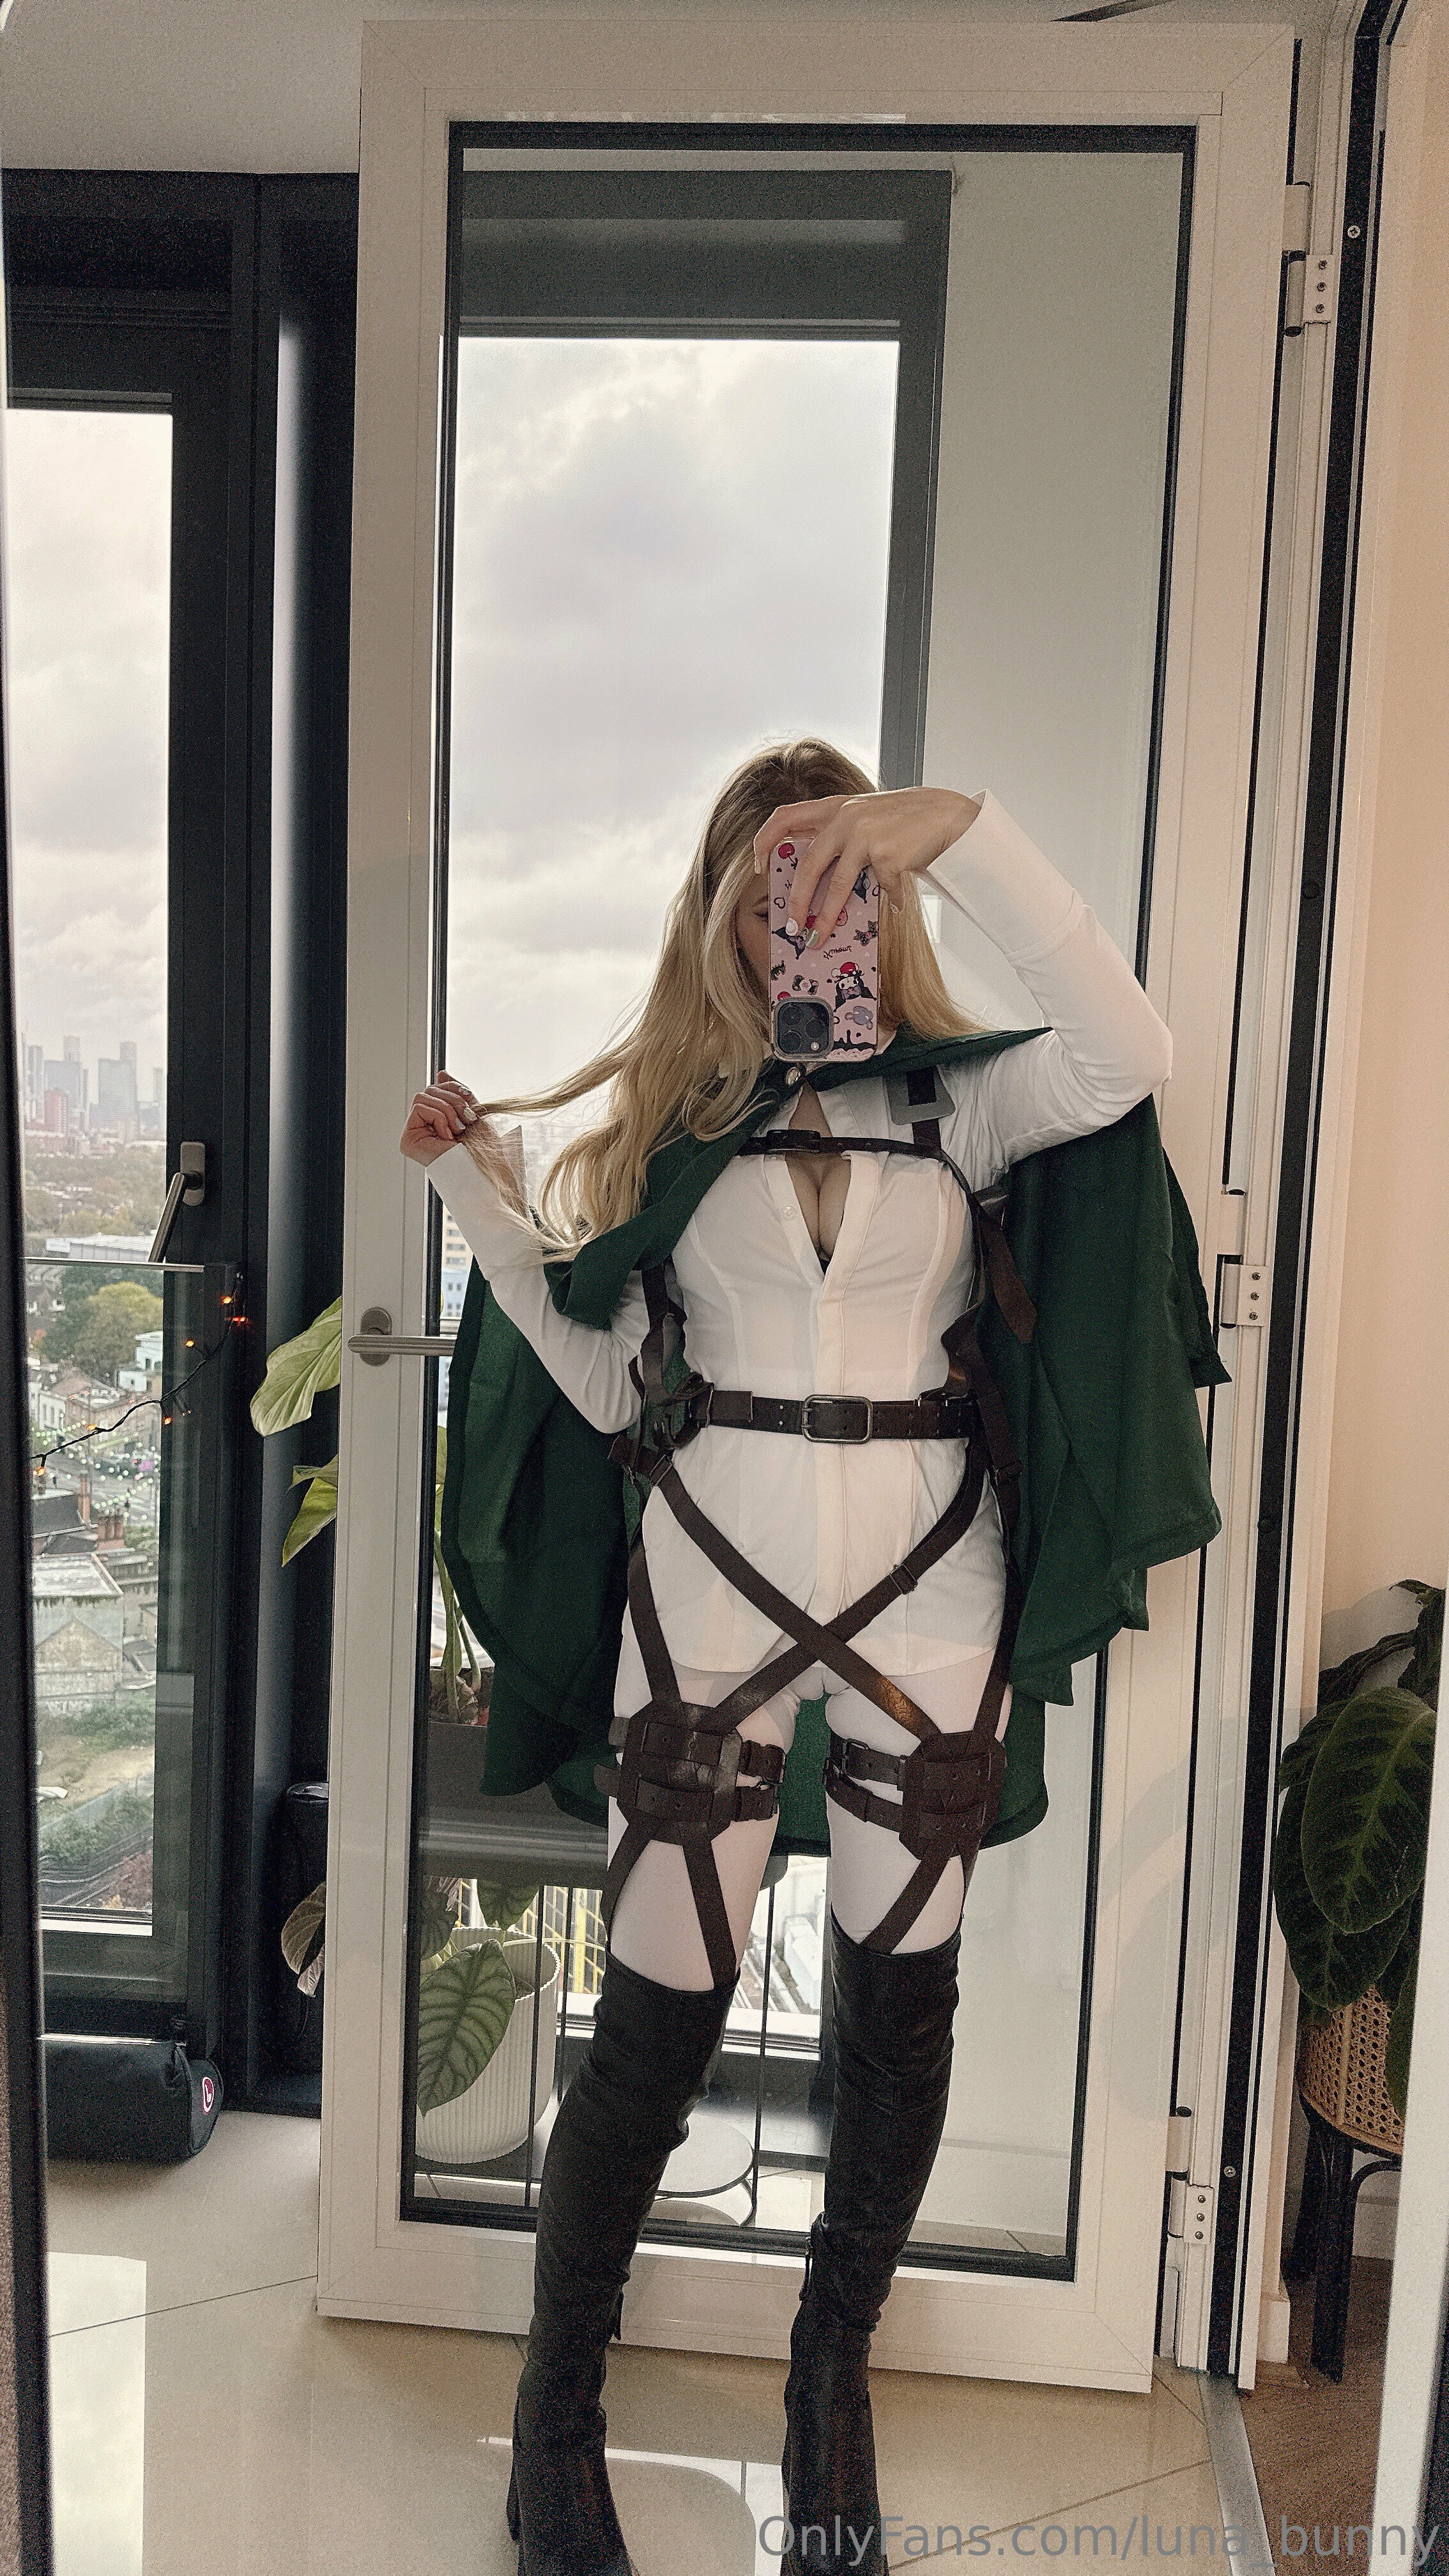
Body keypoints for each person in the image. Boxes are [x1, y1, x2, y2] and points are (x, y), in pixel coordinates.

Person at [400, 739, 1176, 2576]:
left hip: (934, 1611)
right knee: (656, 2025)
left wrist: (956, 828)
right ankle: (556, 2422)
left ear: (887, 904)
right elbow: (613, 1390)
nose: (809, 916)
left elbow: (1129, 1050)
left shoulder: (964, 1111)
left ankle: (831, 2395)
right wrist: (480, 1202)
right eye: (778, 885)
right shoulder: (670, 1133)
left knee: (900, 2018)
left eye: (846, 881)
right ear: (724, 912)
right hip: (705, 1610)